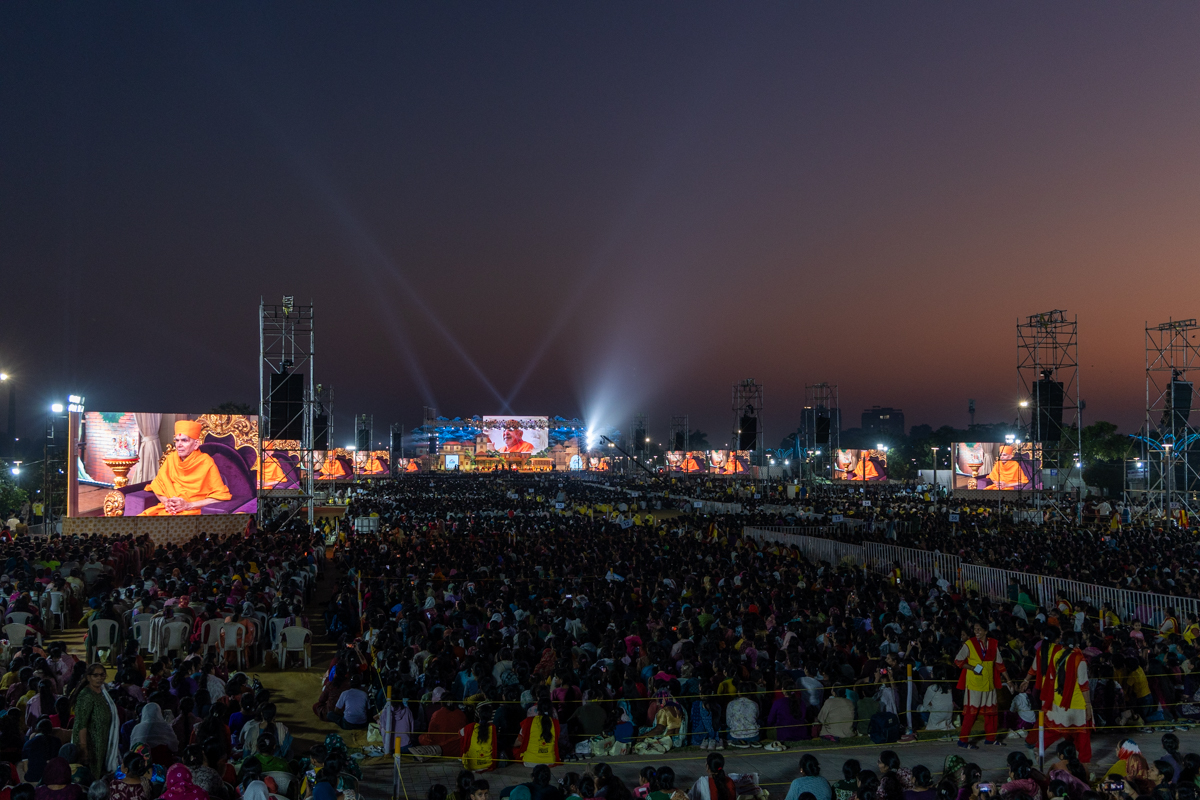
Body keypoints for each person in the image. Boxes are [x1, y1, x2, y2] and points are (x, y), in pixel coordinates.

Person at [139, 421, 231, 516]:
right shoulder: (171, 458)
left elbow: (220, 496)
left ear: (196, 444)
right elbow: (157, 485)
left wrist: (188, 505)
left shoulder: (206, 462)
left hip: (192, 511)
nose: (179, 445)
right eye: (177, 440)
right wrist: (167, 503)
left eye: (184, 440)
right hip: (169, 510)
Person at [954, 622, 1006, 748]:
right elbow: (958, 661)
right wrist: (972, 668)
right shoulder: (969, 643)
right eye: (975, 629)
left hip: (989, 683)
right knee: (971, 714)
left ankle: (990, 738)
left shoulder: (993, 643)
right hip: (974, 684)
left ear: (986, 631)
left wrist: (1009, 680)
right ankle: (963, 740)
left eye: (979, 629)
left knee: (991, 713)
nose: (976, 632)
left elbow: (999, 664)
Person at [71, 664, 119, 779]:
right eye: (95, 675)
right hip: (90, 744)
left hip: (102, 743)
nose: (99, 678)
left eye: (102, 675)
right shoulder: (86, 695)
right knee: (91, 775)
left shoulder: (102, 692)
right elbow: (81, 724)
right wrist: (84, 748)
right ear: (88, 677)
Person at [513, 699, 560, 767]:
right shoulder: (555, 723)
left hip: (530, 761)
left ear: (537, 709)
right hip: (550, 761)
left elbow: (519, 742)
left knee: (515, 750)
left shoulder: (529, 721)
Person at [461, 704, 498, 772]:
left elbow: (460, 734)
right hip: (487, 764)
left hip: (471, 765)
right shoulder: (492, 728)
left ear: (478, 715)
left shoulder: (471, 726)